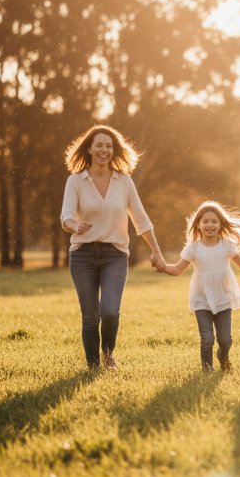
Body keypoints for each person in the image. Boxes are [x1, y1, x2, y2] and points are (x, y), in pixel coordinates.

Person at [60, 125, 166, 370]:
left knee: (109, 310)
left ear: (113, 150)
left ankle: (108, 354)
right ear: (89, 148)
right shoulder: (75, 180)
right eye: (99, 145)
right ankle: (93, 365)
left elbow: (140, 218)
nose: (104, 150)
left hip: (115, 255)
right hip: (83, 255)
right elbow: (65, 216)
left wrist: (156, 251)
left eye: (108, 146)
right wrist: (75, 226)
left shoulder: (124, 181)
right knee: (90, 315)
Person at [160, 201, 240, 372]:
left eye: (214, 221)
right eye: (206, 221)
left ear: (220, 224)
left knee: (225, 340)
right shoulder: (193, 248)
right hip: (201, 298)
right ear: (198, 225)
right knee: (207, 339)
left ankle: (223, 355)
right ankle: (207, 370)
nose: (210, 225)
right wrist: (163, 267)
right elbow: (178, 269)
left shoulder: (227, 245)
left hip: (223, 297)